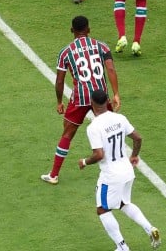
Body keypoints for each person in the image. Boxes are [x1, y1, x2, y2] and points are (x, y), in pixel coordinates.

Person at [41, 16, 121, 186]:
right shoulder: (102, 46)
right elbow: (111, 68)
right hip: (100, 96)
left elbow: (60, 81)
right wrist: (116, 94)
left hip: (80, 97)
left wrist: (59, 102)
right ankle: (118, 168)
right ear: (89, 29)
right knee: (110, 131)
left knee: (67, 134)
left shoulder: (66, 52)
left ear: (72, 30)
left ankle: (54, 174)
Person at [78, 89, 161, 250]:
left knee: (102, 209)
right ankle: (150, 229)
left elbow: (99, 154)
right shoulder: (120, 118)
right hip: (127, 170)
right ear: (107, 101)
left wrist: (84, 162)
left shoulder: (94, 127)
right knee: (123, 203)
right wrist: (134, 155)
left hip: (111, 175)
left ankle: (122, 247)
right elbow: (138, 138)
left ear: (92, 104)